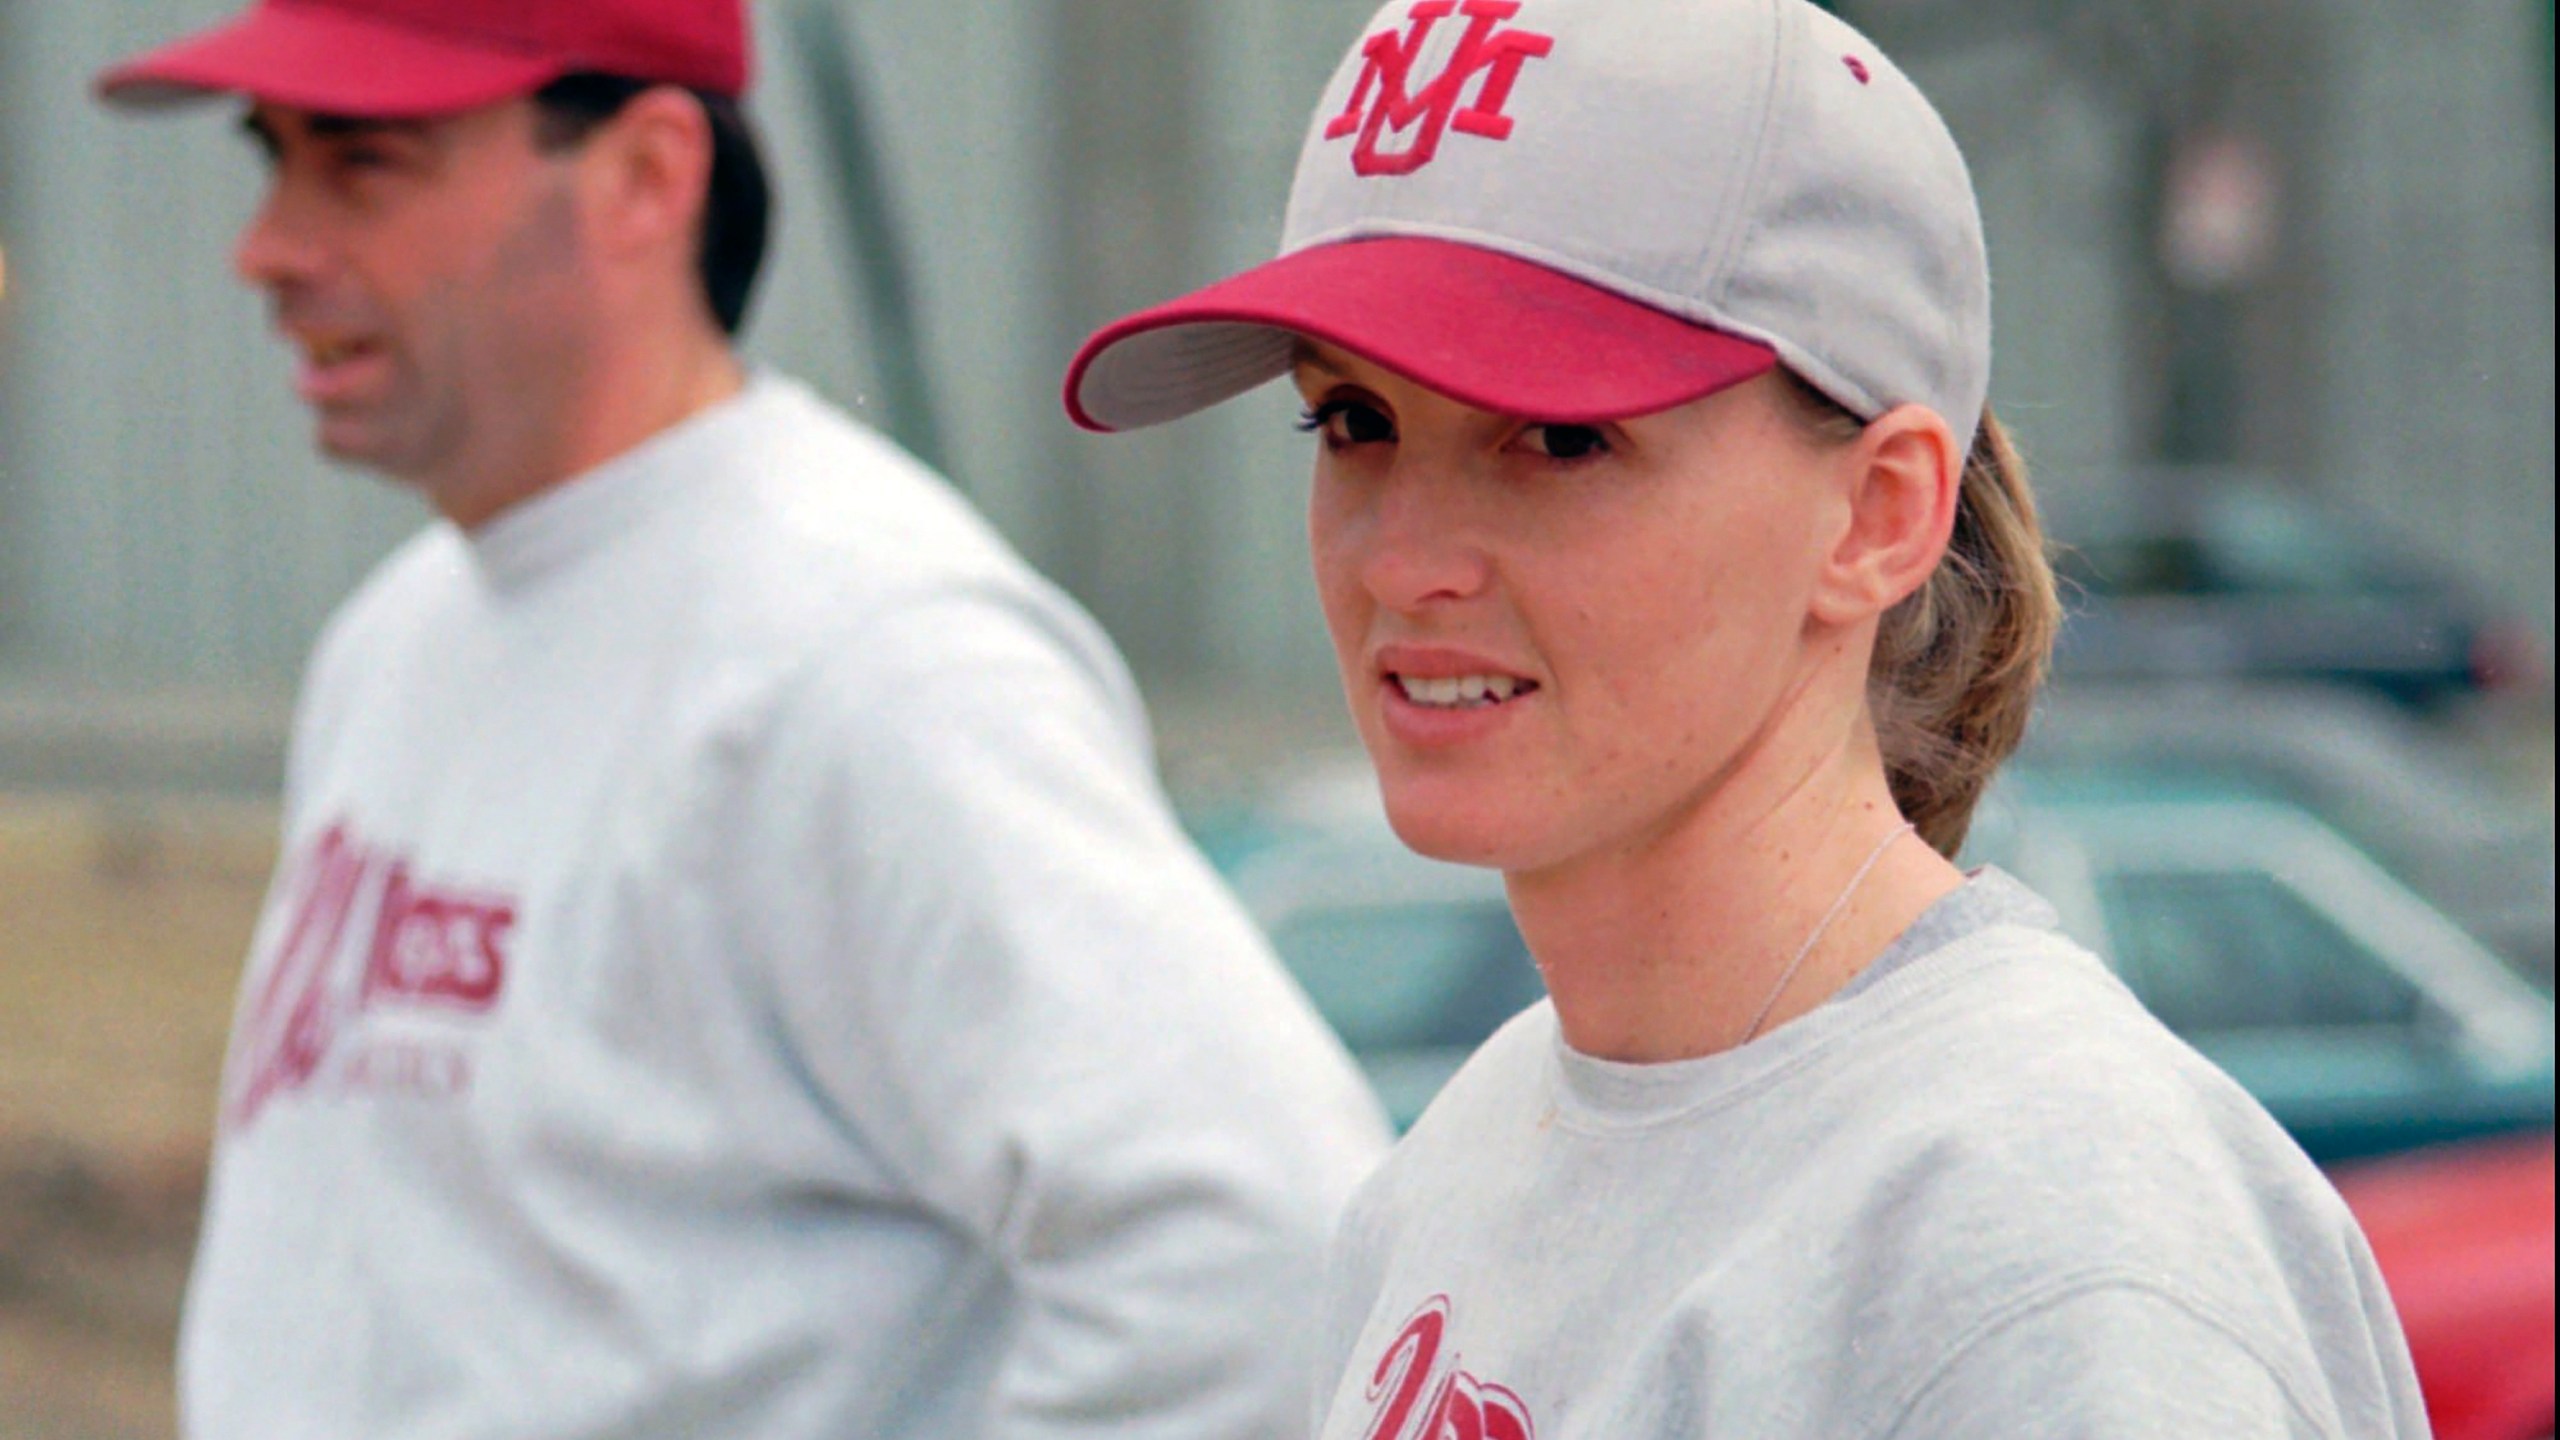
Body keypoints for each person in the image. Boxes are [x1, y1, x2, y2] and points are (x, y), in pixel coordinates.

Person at [1063, 0, 2434, 1435]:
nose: (1405, 559)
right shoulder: (1476, 1149)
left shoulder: (2052, 1259)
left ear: (1878, 513)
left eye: (1559, 437)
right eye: (1352, 421)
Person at [95, 2, 1393, 1436]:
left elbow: (1258, 1248)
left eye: (361, 167)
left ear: (647, 177)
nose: (265, 250)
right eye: (270, 162)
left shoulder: (864, 654)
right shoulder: (400, 636)